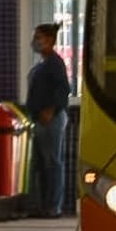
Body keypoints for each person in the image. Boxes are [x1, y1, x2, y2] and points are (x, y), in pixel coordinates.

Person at [27, 23, 72, 218]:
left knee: (52, 163)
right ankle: (45, 204)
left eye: (39, 37)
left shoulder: (55, 63)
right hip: (40, 118)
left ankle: (53, 206)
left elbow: (64, 89)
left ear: (50, 40)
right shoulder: (43, 65)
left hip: (50, 119)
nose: (35, 41)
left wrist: (51, 110)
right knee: (43, 164)